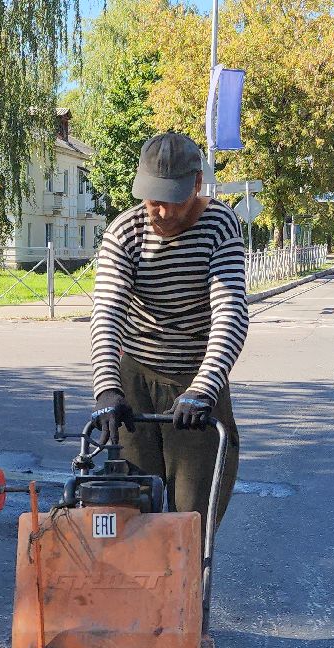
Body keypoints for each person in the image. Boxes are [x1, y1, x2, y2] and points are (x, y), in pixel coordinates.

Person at [90, 132, 248, 529]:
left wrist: (204, 388)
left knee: (191, 517)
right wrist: (107, 387)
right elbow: (108, 312)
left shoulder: (220, 226)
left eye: (171, 200)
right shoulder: (125, 232)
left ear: (196, 184)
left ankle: (188, 588)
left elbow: (230, 311)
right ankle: (136, 590)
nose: (160, 212)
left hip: (195, 382)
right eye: (151, 199)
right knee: (130, 507)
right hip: (137, 378)